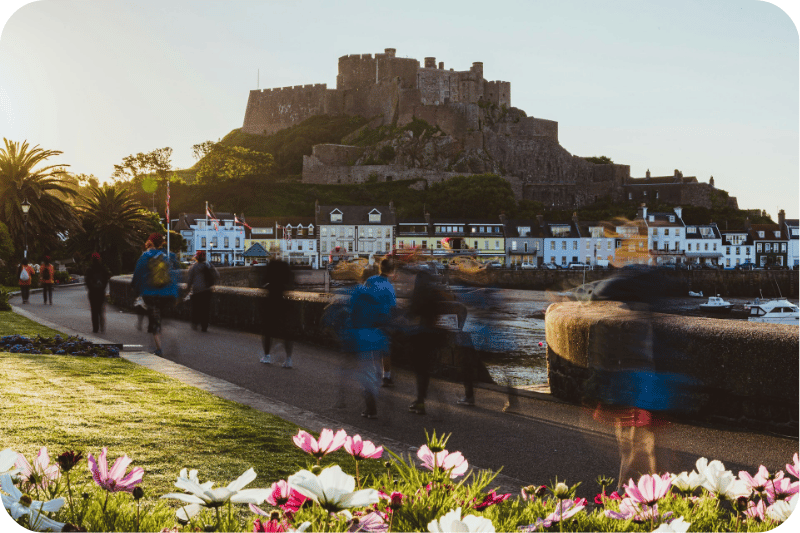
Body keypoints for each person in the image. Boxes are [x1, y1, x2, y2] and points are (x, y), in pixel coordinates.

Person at [131, 233, 179, 356]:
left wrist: (136, 291)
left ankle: (158, 349)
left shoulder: (145, 256)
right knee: (164, 319)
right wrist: (175, 293)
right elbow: (174, 275)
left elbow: (137, 276)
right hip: (168, 294)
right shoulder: (168, 256)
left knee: (155, 322)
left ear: (150, 242)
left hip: (151, 294)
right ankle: (172, 334)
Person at [363, 259, 397, 387]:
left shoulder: (370, 280)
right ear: (391, 271)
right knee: (385, 349)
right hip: (383, 318)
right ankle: (386, 377)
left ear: (380, 268)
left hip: (369, 317)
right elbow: (393, 306)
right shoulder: (389, 286)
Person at [260, 259, 294, 367]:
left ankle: (267, 356)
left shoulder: (270, 266)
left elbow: (262, 281)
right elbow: (292, 282)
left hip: (271, 301)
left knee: (267, 330)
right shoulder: (285, 267)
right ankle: (288, 359)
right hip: (284, 301)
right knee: (287, 332)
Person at [185, 250, 218, 332]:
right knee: (205, 309)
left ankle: (195, 323)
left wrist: (188, 289)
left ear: (196, 258)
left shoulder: (193, 267)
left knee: (196, 308)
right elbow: (217, 275)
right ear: (204, 257)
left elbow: (189, 280)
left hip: (196, 291)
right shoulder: (209, 265)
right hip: (207, 291)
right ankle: (204, 326)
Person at [84, 252, 110, 333]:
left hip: (92, 293)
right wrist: (102, 288)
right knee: (101, 310)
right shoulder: (103, 268)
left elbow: (87, 282)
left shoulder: (89, 269)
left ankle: (95, 328)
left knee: (94, 311)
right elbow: (106, 279)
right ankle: (102, 326)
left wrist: (91, 288)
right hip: (101, 292)